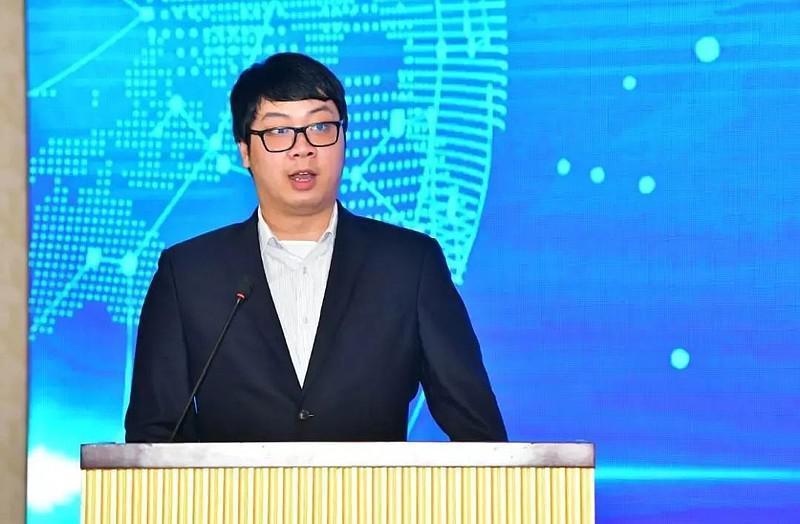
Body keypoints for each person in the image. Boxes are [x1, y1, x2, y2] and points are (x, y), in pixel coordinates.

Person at [124, 52, 507, 443]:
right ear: (245, 151)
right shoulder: (188, 275)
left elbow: (479, 432)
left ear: (344, 138)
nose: (302, 148)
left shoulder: (409, 265)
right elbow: (153, 438)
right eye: (278, 131)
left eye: (321, 127)